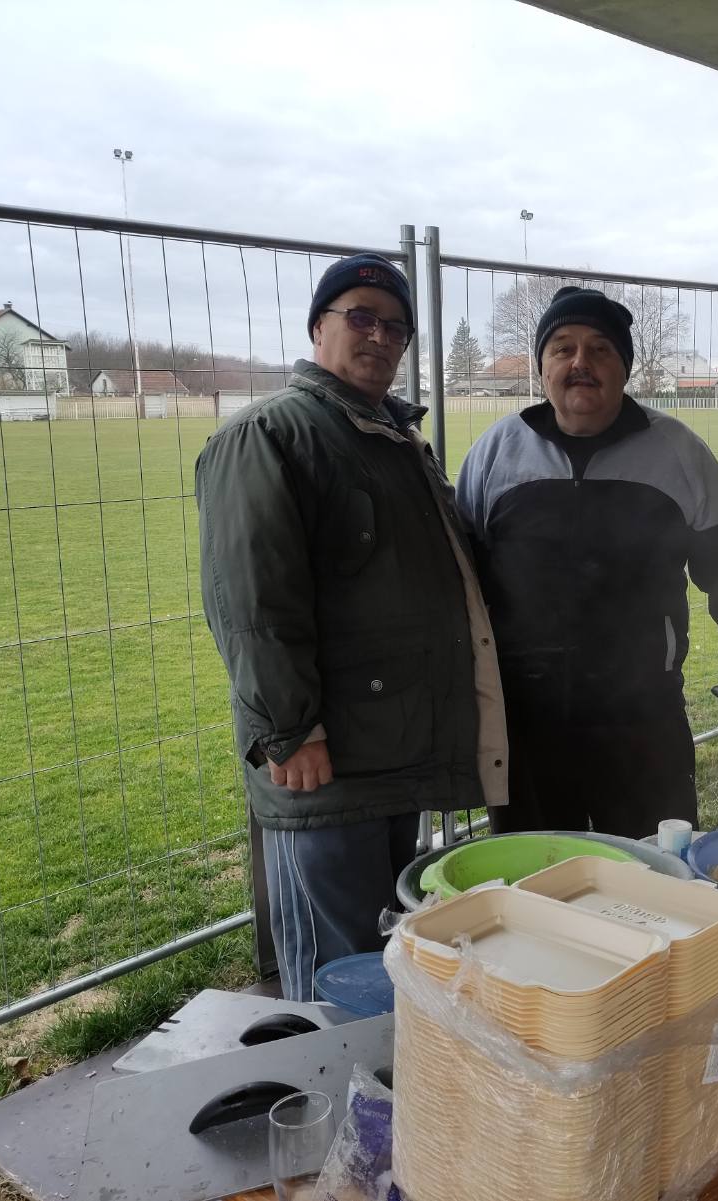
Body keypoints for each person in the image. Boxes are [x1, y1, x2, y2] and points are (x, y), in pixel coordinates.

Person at [196, 252, 506, 999]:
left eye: (395, 326)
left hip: (391, 751)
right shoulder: (273, 434)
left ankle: (377, 1098)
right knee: (333, 972)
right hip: (324, 762)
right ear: (318, 327)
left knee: (378, 951)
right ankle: (330, 1103)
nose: (379, 337)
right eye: (359, 317)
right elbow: (252, 599)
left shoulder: (388, 437)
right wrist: (291, 728)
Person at [456, 286, 718, 838]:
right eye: (562, 348)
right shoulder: (496, 451)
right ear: (542, 367)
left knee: (657, 876)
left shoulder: (678, 451)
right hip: (524, 722)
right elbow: (459, 583)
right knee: (535, 885)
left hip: (643, 718)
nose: (580, 362)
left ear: (625, 367)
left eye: (600, 349)